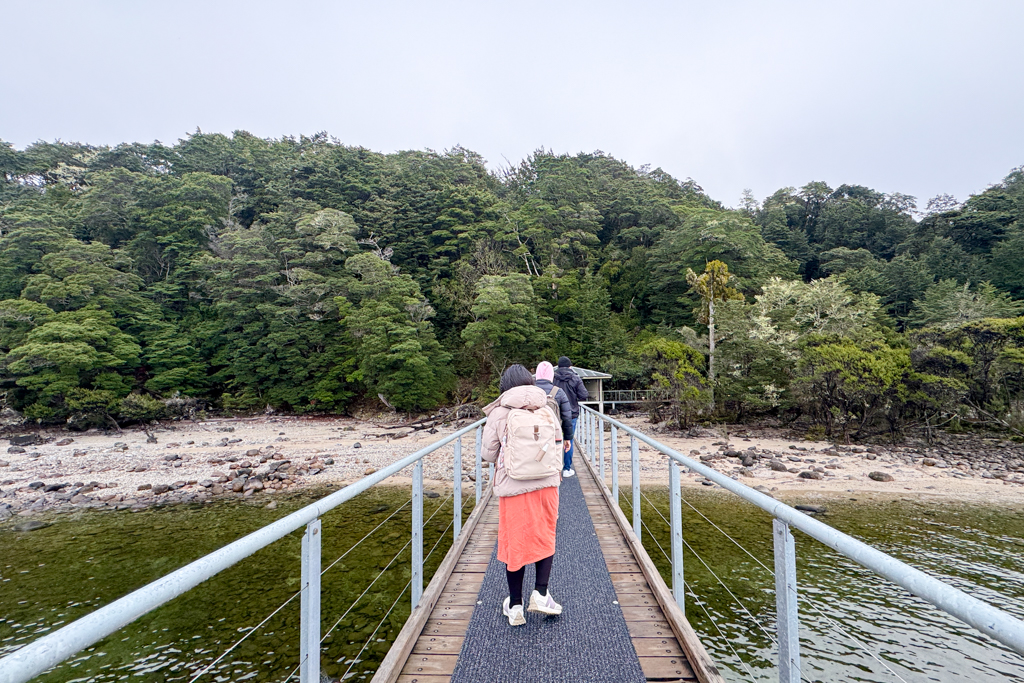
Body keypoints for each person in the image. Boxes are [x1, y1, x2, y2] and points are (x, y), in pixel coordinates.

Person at [481, 364, 563, 626]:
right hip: (547, 484)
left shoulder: (499, 412)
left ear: (505, 386)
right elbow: (557, 443)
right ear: (531, 382)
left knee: (515, 542)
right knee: (544, 535)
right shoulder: (547, 407)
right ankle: (541, 594)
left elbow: (488, 453)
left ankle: (516, 606)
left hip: (513, 485)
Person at [553, 356, 588, 477]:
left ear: (558, 366)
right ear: (570, 366)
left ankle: (553, 468)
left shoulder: (553, 377)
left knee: (553, 439)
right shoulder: (575, 378)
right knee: (569, 440)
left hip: (555, 413)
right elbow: (584, 395)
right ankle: (567, 469)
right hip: (571, 413)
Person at [534, 361, 574, 456]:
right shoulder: (559, 392)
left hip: (533, 433)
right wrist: (567, 438)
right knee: (553, 459)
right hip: (553, 434)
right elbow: (567, 417)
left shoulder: (530, 390)